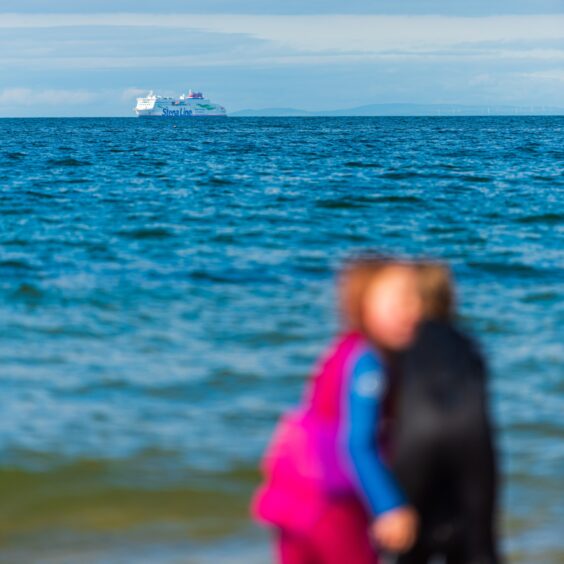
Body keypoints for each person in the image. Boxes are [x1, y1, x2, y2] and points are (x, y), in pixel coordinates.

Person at [252, 257, 422, 563]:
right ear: (361, 305)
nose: (412, 310)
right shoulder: (368, 362)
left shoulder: (341, 350)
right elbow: (358, 443)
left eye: (416, 298)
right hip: (331, 503)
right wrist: (388, 506)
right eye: (399, 300)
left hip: (292, 497)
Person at [386, 263, 500, 564]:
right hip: (471, 434)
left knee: (410, 549)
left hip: (417, 434)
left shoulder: (401, 344)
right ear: (449, 297)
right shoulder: (469, 344)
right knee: (480, 547)